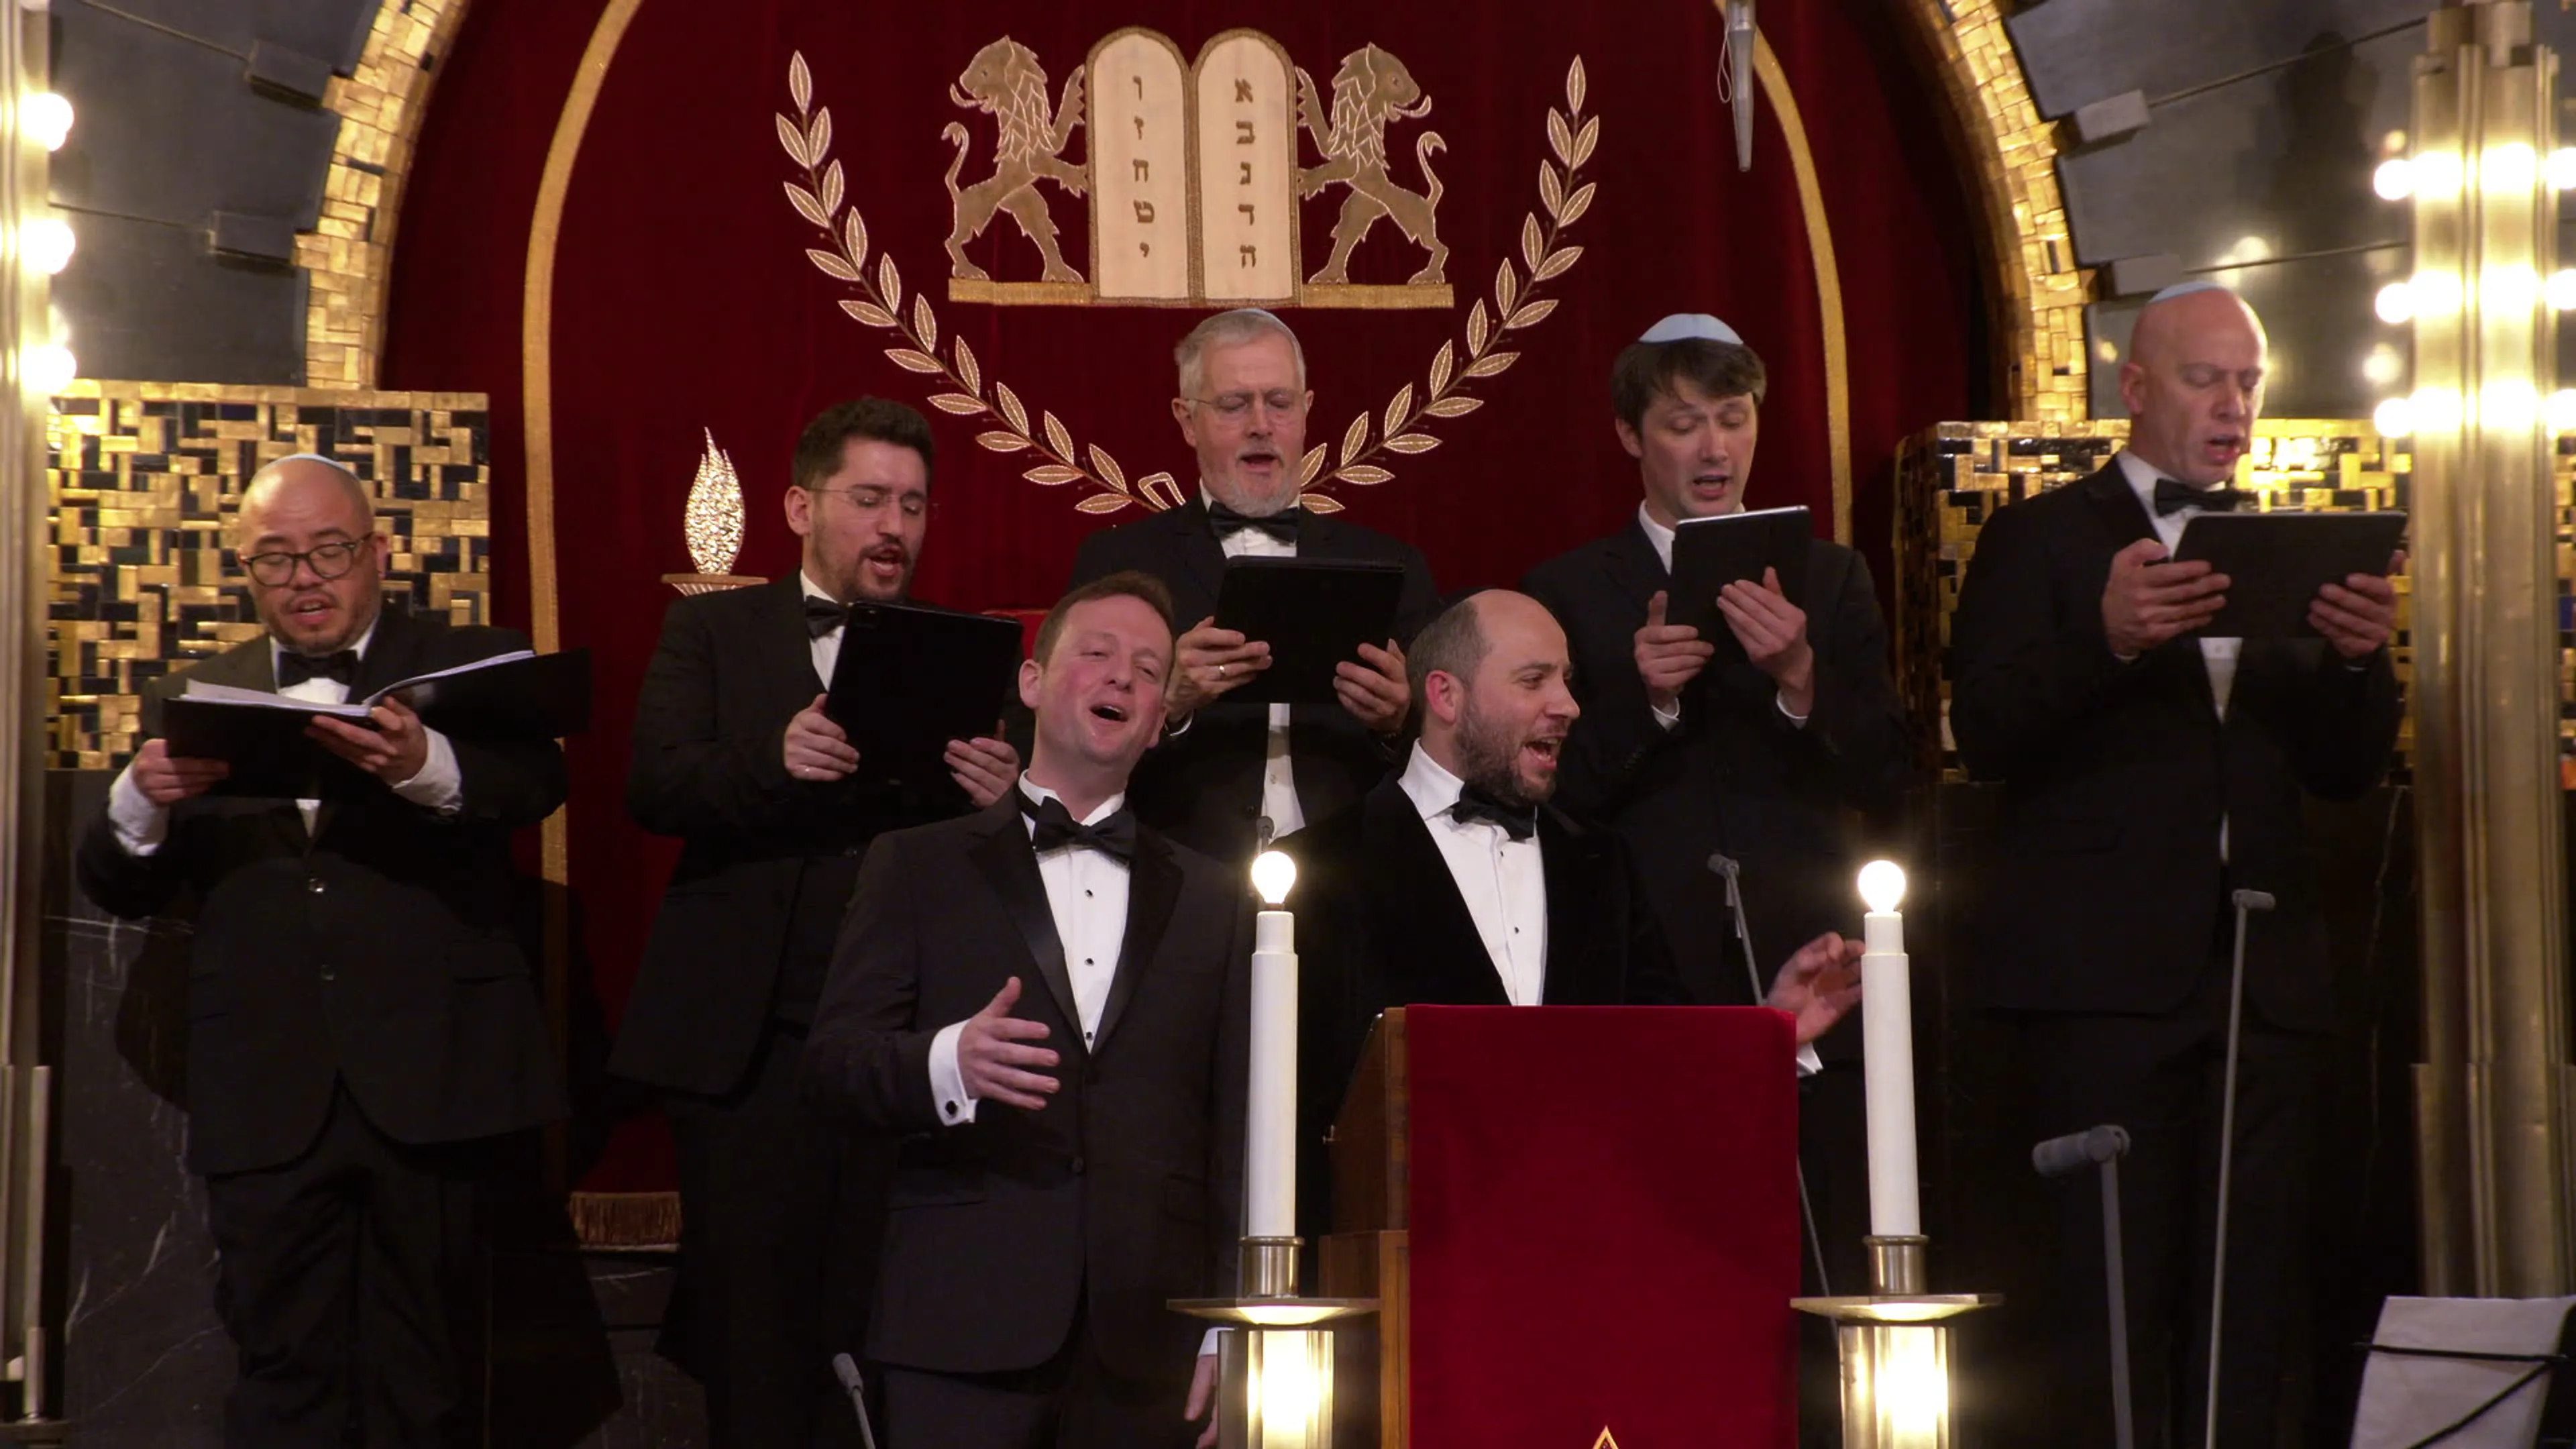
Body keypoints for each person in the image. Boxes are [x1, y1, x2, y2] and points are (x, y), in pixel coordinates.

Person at [1948, 282, 2400, 1447]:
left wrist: (2359, 663)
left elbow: (2346, 773)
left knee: (2250, 1304)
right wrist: (2107, 640)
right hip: (2101, 986)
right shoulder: (2043, 536)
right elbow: (1985, 730)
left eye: (2249, 382)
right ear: (2137, 387)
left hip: (2261, 980)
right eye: (2207, 380)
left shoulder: (2290, 545)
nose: (2234, 405)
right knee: (2104, 1296)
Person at [75, 453, 567, 1446]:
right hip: (266, 1092)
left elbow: (534, 785)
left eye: (329, 551)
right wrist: (138, 801)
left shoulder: (467, 667)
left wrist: (426, 766)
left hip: (434, 1082)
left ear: (377, 553)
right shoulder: (197, 693)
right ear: (247, 572)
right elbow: (119, 887)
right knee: (280, 1370)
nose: (304, 578)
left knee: (426, 1374)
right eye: (276, 558)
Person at [610, 398, 1020, 1446]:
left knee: (887, 1322)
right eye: (870, 499)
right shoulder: (714, 629)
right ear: (800, 507)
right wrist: (771, 760)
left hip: (897, 1044)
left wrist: (1000, 801)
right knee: (753, 1340)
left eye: (913, 506)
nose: (894, 527)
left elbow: (991, 853)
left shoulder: (958, 650)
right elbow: (655, 785)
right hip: (747, 1051)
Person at [802, 571, 1246, 1449]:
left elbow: (1238, 1127)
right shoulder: (916, 866)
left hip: (1151, 1339)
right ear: (1033, 682)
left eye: (1148, 670)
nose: (1121, 678)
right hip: (958, 1324)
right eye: (1097, 654)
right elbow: (833, 1068)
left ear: (1160, 717)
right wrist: (949, 1062)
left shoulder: (1216, 897)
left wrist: (1232, 1319)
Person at [1285, 590, 1863, 1163]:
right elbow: (1292, 1102)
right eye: (1533, 680)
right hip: (1401, 1215)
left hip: (1584, 1206)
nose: (1568, 705)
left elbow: (1661, 1056)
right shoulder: (1319, 871)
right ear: (1445, 696)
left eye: (1565, 680)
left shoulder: (1599, 860)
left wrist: (1774, 1035)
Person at [1521, 313, 1908, 1008]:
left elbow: (1887, 774)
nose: (1715, 449)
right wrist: (1649, 703)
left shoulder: (1830, 577)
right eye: (1684, 425)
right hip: (1642, 960)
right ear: (1630, 434)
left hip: (1811, 946)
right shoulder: (1566, 591)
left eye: (1734, 420)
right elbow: (1548, 794)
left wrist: (1800, 676)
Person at [1065, 307, 1441, 860]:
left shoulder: (1392, 564)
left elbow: (1454, 758)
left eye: (1280, 403)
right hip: (1175, 871)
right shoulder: (1118, 564)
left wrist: (1396, 723)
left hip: (1351, 872)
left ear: (1307, 413)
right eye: (1235, 405)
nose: (1261, 424)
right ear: (1187, 420)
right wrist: (1168, 704)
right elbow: (1065, 745)